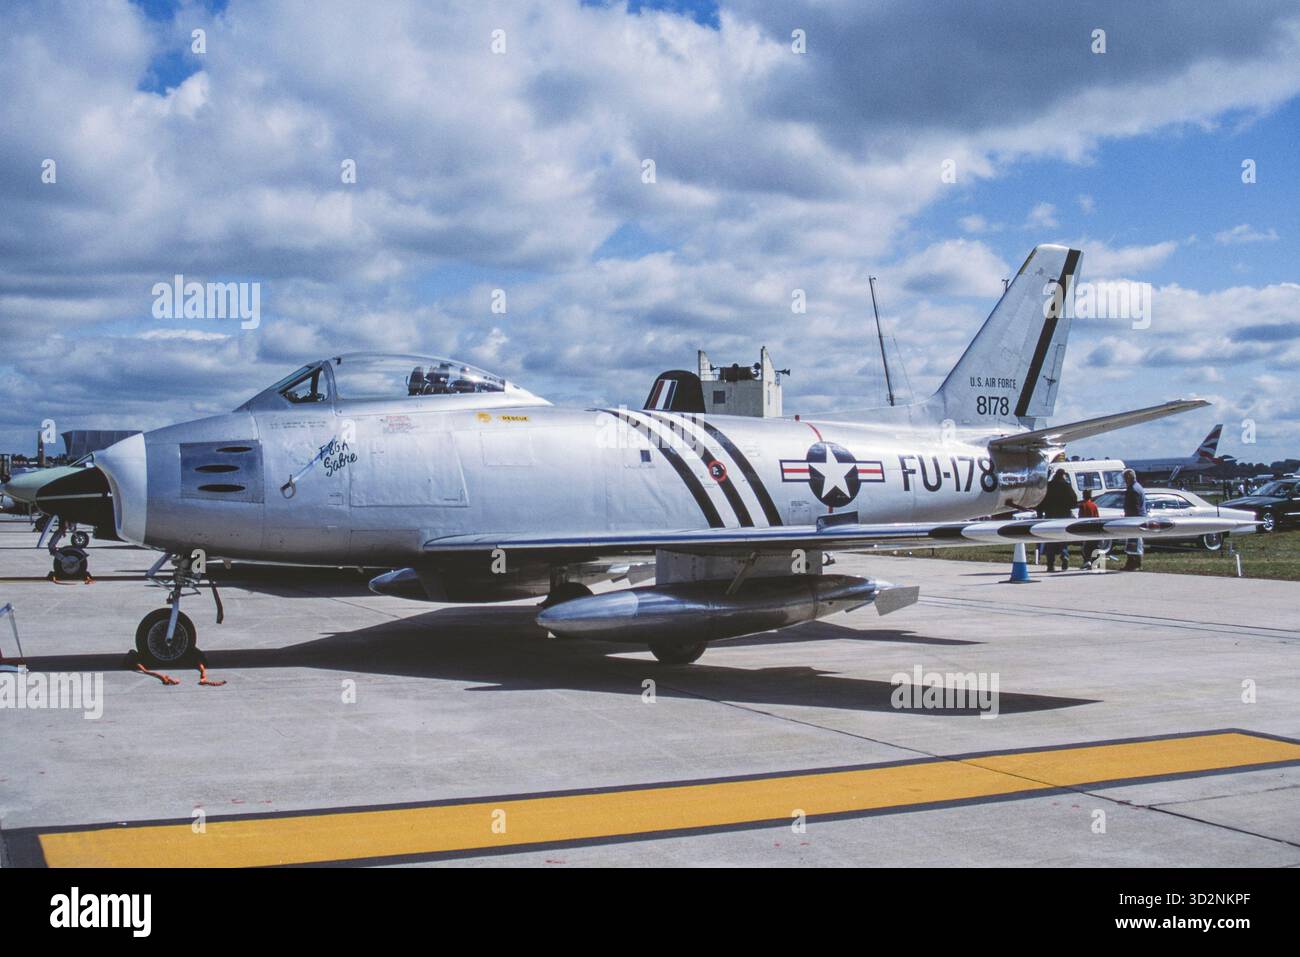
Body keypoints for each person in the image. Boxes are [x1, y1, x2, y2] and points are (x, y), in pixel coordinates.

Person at [1038, 469, 1078, 571]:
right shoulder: (1066, 486)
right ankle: (1064, 556)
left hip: (1050, 517)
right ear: (1063, 475)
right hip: (1063, 517)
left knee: (1050, 540)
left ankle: (1050, 564)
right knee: (1062, 539)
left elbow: (1041, 500)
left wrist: (1040, 513)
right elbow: (1074, 501)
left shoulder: (1049, 486)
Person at [1121, 468, 1147, 572]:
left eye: (1125, 478)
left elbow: (1134, 506)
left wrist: (1130, 518)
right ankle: (1131, 563)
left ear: (1129, 478)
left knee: (1135, 542)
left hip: (1135, 518)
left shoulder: (1133, 489)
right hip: (1138, 517)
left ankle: (1136, 563)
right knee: (1133, 542)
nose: (1124, 480)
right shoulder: (1138, 487)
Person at [1078, 488, 1100, 569]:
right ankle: (1095, 562)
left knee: (1085, 547)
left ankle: (1087, 561)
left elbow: (1080, 517)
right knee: (1094, 546)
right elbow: (1097, 517)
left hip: (1085, 528)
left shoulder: (1082, 506)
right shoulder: (1094, 505)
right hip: (1093, 528)